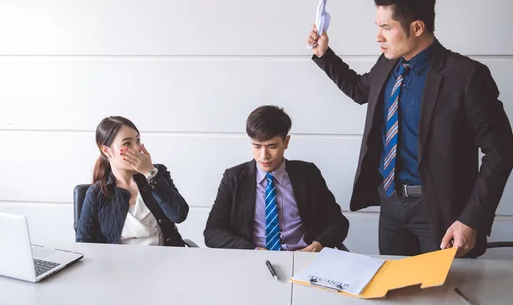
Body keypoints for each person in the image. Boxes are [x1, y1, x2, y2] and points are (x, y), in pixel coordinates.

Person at [307, 0, 513, 257]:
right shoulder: (388, 63)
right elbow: (360, 90)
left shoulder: (466, 77)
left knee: (443, 298)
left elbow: (501, 152)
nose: (378, 36)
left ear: (417, 27)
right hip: (391, 207)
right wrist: (324, 54)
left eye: (386, 27)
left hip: (442, 214)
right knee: (396, 294)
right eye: (377, 26)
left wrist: (471, 219)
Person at [204, 105, 349, 251]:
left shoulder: (308, 174)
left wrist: (316, 246)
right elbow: (212, 232)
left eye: (272, 146)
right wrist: (253, 250)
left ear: (286, 142)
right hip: (253, 259)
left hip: (302, 256)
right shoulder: (233, 178)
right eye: (257, 146)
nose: (263, 155)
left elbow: (339, 223)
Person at [76, 116, 189, 245]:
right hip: (119, 264)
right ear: (107, 150)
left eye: (138, 140)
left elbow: (179, 215)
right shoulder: (96, 194)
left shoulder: (157, 174)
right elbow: (83, 244)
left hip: (167, 260)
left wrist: (150, 173)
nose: (137, 149)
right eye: (127, 143)